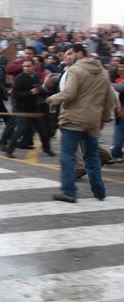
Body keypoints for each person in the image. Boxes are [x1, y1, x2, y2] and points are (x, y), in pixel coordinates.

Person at [46, 44, 116, 203]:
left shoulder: (74, 70)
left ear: (80, 54)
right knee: (92, 156)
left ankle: (69, 192)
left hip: (73, 120)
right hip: (92, 121)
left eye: (71, 53)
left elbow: (69, 93)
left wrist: (52, 99)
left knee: (68, 156)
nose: (68, 57)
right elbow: (109, 99)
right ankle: (99, 191)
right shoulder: (104, 73)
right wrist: (103, 119)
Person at [0, 60, 55, 159]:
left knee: (42, 130)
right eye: (24, 66)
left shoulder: (35, 76)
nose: (26, 68)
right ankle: (9, 151)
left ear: (34, 67)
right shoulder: (19, 79)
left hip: (33, 109)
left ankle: (47, 149)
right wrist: (30, 93)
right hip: (21, 109)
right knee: (20, 130)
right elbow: (15, 95)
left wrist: (47, 95)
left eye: (28, 66)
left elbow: (38, 90)